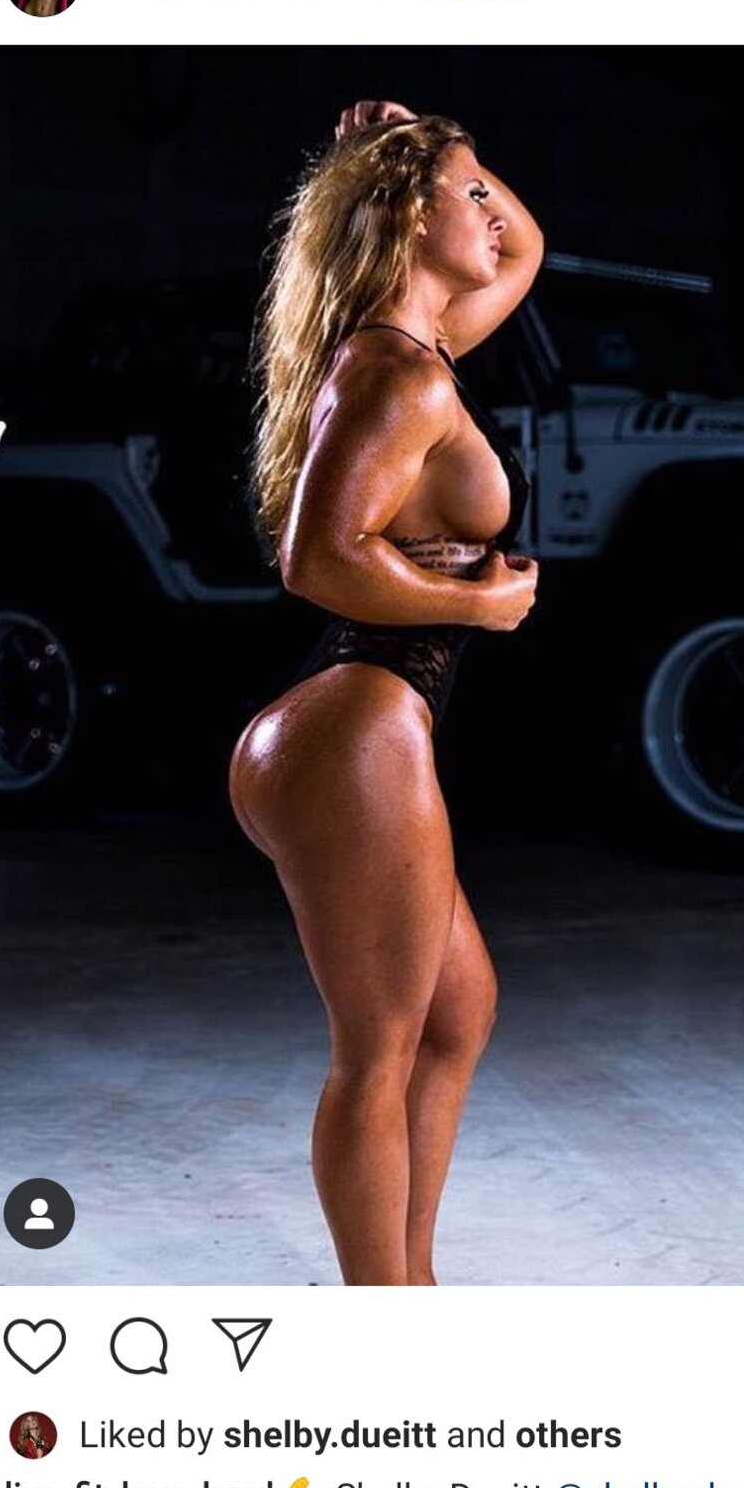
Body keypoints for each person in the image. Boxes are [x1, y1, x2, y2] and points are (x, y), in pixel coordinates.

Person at [229, 98, 542, 1285]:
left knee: (457, 1013)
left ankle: (412, 1286)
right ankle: (385, 1317)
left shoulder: (422, 348)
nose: (491, 213)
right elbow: (317, 558)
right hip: (357, 722)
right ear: (410, 217)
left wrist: (425, 141)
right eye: (467, 192)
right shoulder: (394, 374)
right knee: (377, 1049)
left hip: (365, 720)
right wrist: (478, 606)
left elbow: (527, 248)